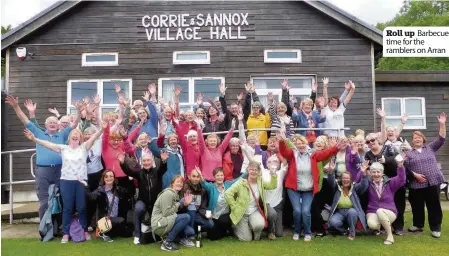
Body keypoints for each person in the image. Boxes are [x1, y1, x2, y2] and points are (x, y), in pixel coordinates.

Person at [24, 119, 104, 243]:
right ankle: (66, 233)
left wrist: (102, 129)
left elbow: (93, 138)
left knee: (82, 207)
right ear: (70, 138)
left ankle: (84, 231)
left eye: (78, 135)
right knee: (67, 208)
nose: (75, 136)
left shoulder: (84, 147)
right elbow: (47, 144)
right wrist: (34, 139)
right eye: (73, 135)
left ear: (80, 138)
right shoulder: (63, 148)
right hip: (66, 181)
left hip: (81, 182)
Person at [5, 96, 80, 223]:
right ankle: (45, 227)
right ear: (45, 125)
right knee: (44, 199)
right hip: (43, 171)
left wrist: (78, 110)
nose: (52, 123)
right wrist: (16, 106)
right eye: (49, 122)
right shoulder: (38, 133)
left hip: (60, 171)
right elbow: (24, 120)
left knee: (60, 197)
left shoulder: (62, 135)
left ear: (58, 125)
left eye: (54, 122)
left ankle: (58, 226)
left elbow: (74, 124)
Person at [279, 134, 343, 242]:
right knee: (297, 211)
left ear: (306, 144)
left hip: (308, 189)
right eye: (298, 144)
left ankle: (308, 232)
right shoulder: (293, 154)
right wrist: (281, 141)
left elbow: (325, 154)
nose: (300, 145)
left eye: (302, 143)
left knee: (305, 211)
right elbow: (284, 151)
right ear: (295, 145)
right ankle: (297, 231)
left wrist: (336, 147)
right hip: (293, 188)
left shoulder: (313, 155)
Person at [405, 113, 446, 238]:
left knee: (434, 205)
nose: (417, 139)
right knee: (417, 205)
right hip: (416, 184)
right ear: (412, 141)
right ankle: (418, 225)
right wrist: (415, 175)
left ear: (423, 139)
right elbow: (405, 167)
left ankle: (435, 228)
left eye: (419, 137)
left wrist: (442, 123)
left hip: (433, 182)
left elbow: (441, 138)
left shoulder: (430, 148)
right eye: (415, 138)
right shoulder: (408, 153)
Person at [118, 148, 168, 244]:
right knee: (138, 209)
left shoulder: (157, 171)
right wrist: (123, 163)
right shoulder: (139, 173)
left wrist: (164, 161)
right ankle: (137, 235)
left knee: (159, 217)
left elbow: (163, 168)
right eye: (144, 161)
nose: (146, 162)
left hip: (156, 202)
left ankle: (159, 234)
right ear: (141, 162)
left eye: (148, 160)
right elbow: (129, 171)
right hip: (143, 201)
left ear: (152, 161)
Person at [224, 160, 278, 242]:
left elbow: (272, 186)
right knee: (246, 239)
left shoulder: (260, 181)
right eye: (251, 169)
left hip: (254, 211)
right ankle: (235, 228)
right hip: (242, 213)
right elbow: (228, 194)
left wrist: (273, 175)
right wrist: (234, 207)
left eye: (256, 170)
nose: (253, 172)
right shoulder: (241, 183)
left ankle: (255, 236)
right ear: (248, 170)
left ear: (258, 171)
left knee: (259, 225)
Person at [83, 170, 133, 242]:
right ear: (103, 178)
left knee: (128, 233)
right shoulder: (100, 190)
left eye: (111, 176)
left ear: (114, 178)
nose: (109, 178)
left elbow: (130, 193)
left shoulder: (118, 189)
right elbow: (91, 197)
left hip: (116, 220)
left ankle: (104, 233)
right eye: (106, 177)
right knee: (121, 220)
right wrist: (86, 186)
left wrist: (130, 181)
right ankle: (103, 232)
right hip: (105, 220)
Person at [365, 160, 406, 245]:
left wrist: (401, 167)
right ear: (371, 173)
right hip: (373, 211)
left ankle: (390, 236)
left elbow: (402, 179)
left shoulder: (390, 182)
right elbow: (358, 183)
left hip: (389, 211)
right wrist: (362, 172)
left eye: (378, 172)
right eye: (373, 172)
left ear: (382, 173)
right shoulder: (368, 183)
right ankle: (383, 225)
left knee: (380, 211)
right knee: (371, 224)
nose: (376, 174)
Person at [151, 176, 196, 251]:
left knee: (190, 231)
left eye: (181, 182)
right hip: (159, 223)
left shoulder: (175, 195)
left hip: (165, 221)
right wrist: (179, 204)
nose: (179, 184)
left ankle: (178, 239)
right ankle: (167, 242)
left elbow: (173, 211)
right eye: (177, 182)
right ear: (172, 184)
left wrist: (184, 204)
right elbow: (166, 212)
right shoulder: (168, 193)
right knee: (186, 217)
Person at [327, 162, 369, 240]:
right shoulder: (337, 187)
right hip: (339, 212)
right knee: (333, 222)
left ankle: (352, 233)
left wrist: (363, 173)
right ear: (341, 179)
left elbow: (364, 186)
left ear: (350, 180)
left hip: (352, 210)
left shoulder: (355, 188)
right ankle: (344, 231)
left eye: (347, 178)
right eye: (344, 178)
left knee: (352, 212)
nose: (345, 180)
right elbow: (330, 181)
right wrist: (331, 172)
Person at [200, 167, 243, 240]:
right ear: (214, 177)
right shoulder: (211, 187)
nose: (220, 177)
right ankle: (225, 232)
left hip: (225, 216)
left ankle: (228, 228)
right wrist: (200, 176)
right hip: (214, 216)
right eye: (217, 175)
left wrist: (248, 172)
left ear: (224, 176)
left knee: (223, 220)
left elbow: (238, 179)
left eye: (221, 175)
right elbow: (204, 184)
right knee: (213, 237)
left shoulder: (228, 185)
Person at [263, 155, 288, 240]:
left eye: (275, 161)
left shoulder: (281, 173)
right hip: (265, 204)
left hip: (277, 205)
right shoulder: (262, 171)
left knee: (279, 233)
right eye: (269, 162)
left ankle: (271, 228)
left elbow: (285, 161)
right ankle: (269, 230)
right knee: (271, 214)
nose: (272, 163)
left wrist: (279, 149)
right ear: (266, 164)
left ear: (278, 164)